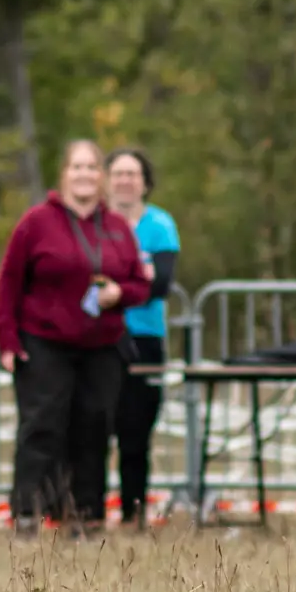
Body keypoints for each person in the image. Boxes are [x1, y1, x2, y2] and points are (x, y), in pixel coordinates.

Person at [0, 140, 150, 538]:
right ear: (64, 174)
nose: (84, 174)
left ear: (101, 176)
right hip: (44, 341)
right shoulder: (36, 222)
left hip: (102, 346)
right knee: (42, 427)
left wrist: (119, 294)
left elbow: (139, 285)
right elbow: (10, 282)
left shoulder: (116, 227)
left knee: (93, 429)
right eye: (76, 167)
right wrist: (7, 340)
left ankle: (85, 516)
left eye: (91, 167)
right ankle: (28, 514)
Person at [104, 147, 179, 528]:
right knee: (94, 426)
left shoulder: (160, 225)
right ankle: (85, 512)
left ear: (145, 182)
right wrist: (136, 279)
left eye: (132, 173)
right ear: (107, 179)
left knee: (135, 431)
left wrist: (115, 286)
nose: (125, 180)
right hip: (98, 336)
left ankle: (134, 514)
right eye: (118, 173)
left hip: (145, 336)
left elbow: (161, 284)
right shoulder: (93, 223)